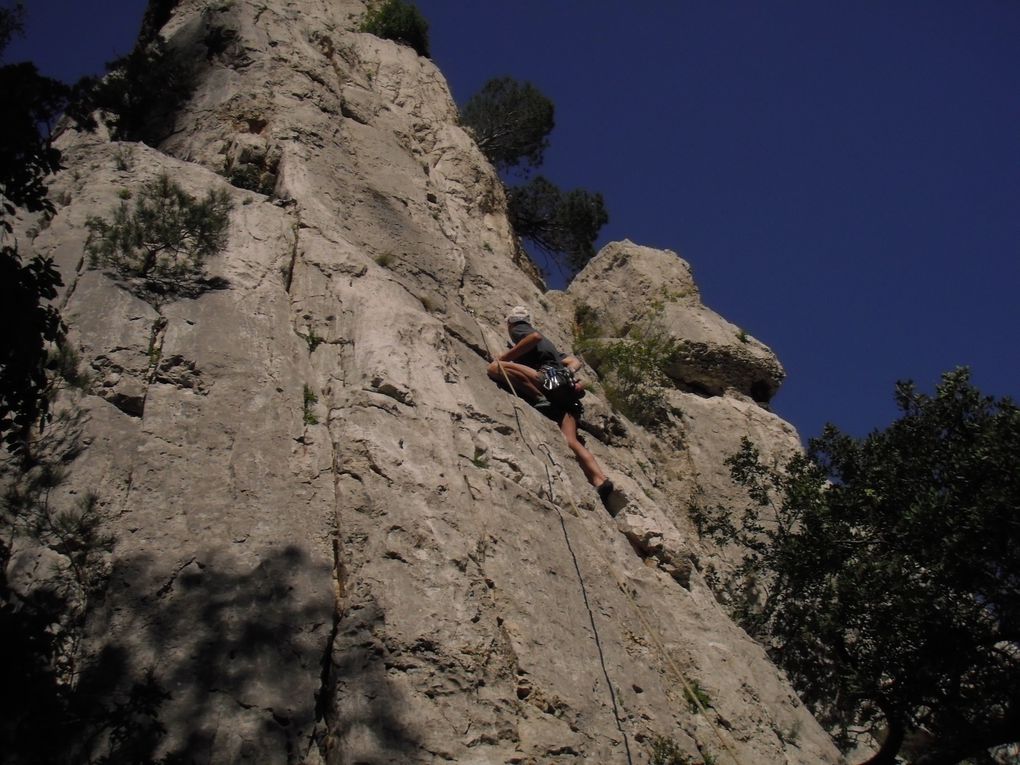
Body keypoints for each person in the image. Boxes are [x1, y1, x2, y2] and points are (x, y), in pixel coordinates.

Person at [487, 306, 617, 508]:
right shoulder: (552, 348)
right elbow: (574, 361)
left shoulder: (519, 328)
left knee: (495, 367)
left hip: (548, 382)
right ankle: (600, 480)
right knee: (570, 440)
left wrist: (503, 358)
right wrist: (570, 372)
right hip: (567, 396)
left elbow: (535, 337)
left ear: (510, 322)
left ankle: (539, 397)